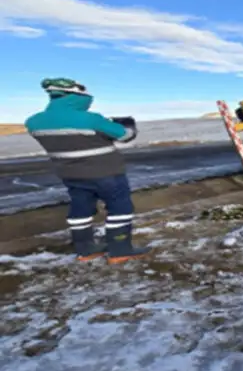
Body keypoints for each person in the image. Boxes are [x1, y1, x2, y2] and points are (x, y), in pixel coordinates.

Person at [24, 78, 151, 264]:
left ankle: (85, 250)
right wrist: (128, 125)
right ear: (76, 95)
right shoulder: (90, 119)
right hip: (106, 173)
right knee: (120, 208)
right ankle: (120, 250)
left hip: (70, 174)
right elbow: (125, 135)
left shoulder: (34, 122)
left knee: (80, 209)